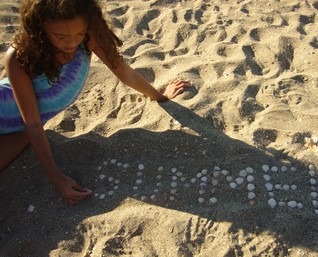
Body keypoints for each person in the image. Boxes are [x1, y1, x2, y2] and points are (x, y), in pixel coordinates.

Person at [0, 0, 191, 204]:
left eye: (79, 33)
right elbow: (33, 124)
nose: (71, 43)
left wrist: (160, 97)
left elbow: (124, 72)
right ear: (39, 28)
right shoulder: (18, 57)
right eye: (60, 36)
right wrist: (58, 179)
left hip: (20, 131)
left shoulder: (89, 38)